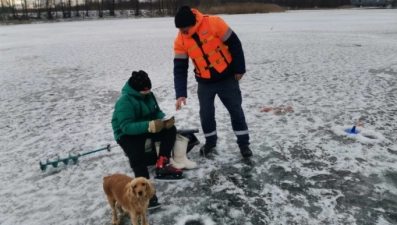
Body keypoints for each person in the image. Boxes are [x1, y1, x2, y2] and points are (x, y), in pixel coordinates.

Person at [173, 5, 253, 158]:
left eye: (184, 29)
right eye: (180, 29)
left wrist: (239, 69)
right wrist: (180, 93)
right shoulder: (180, 40)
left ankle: (244, 145)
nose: (182, 32)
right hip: (204, 82)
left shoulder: (214, 22)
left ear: (192, 24)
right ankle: (210, 142)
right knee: (206, 115)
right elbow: (179, 68)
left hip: (227, 77)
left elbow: (235, 44)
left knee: (236, 111)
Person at [111, 70, 180, 209]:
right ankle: (144, 194)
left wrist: (164, 120)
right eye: (144, 90)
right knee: (137, 156)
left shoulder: (149, 95)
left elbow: (156, 111)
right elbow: (126, 127)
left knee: (170, 130)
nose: (147, 92)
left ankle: (162, 163)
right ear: (136, 89)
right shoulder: (125, 101)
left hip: (147, 128)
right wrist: (149, 125)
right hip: (126, 134)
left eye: (149, 89)